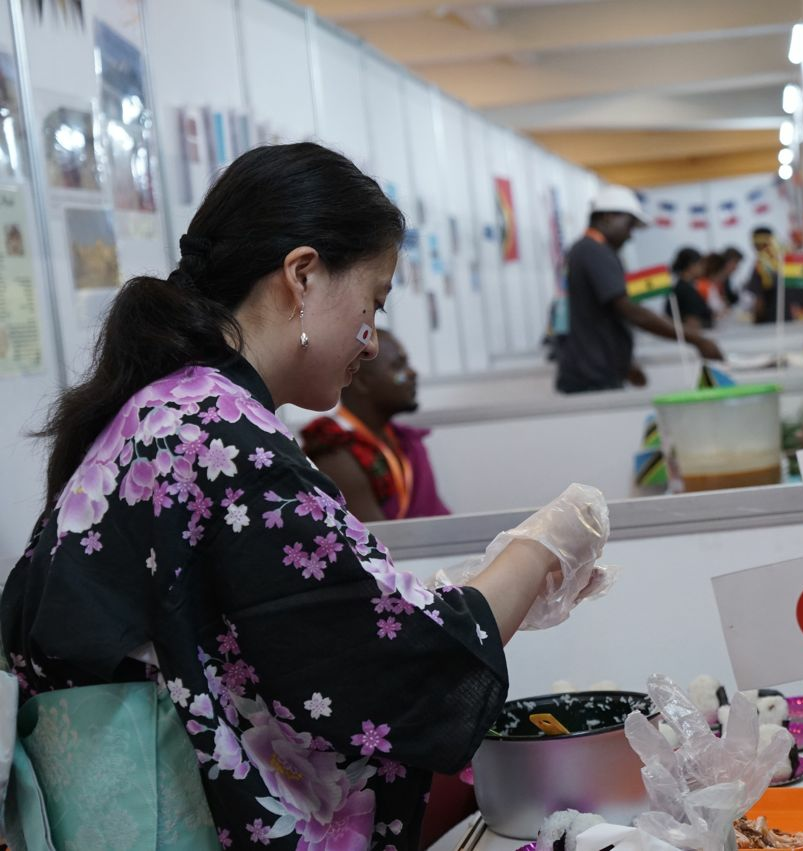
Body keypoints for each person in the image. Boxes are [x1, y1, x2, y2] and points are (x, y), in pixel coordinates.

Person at [0, 143, 610, 847]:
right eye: (373, 302)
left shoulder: (166, 409)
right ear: (302, 275)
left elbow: (302, 625)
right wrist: (540, 549)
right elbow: (396, 656)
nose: (373, 341)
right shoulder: (222, 436)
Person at [555, 186, 723, 393]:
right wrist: (696, 339)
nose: (630, 235)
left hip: (596, 370)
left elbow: (605, 315)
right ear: (608, 217)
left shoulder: (588, 250)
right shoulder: (593, 251)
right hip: (591, 376)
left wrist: (625, 361)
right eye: (629, 226)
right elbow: (630, 310)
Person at [300, 329, 449, 522]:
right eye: (398, 366)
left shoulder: (403, 440)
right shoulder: (335, 452)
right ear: (362, 382)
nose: (412, 373)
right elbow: (376, 543)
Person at [742, 226, 803, 324]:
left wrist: (756, 321)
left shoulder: (760, 265)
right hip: (798, 316)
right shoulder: (789, 259)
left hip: (773, 320)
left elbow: (759, 302)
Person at [665, 247, 714, 329]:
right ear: (691, 265)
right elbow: (692, 320)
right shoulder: (684, 290)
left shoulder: (685, 286)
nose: (703, 268)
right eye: (700, 264)